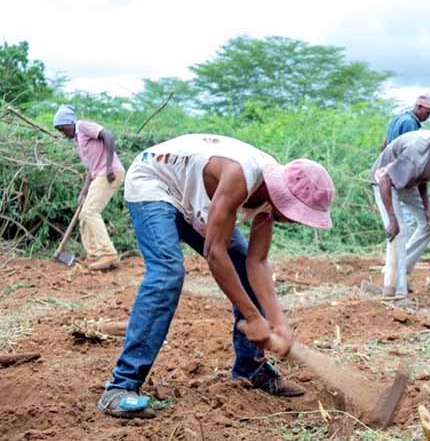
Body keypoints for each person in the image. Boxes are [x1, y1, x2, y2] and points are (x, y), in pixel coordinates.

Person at [97, 134, 335, 418]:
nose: (296, 219)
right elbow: (215, 252)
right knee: (167, 273)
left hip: (195, 196)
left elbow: (257, 262)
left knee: (242, 263)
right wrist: (254, 317)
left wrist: (277, 322)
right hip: (155, 180)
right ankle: (121, 386)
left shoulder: (270, 198)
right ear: (281, 192)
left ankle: (251, 369)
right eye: (297, 212)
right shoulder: (242, 175)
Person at [371, 126, 430, 298]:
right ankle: (399, 291)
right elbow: (385, 181)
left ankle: (400, 270)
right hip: (384, 182)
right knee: (400, 232)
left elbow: (423, 177)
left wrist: (427, 208)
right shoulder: (415, 153)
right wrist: (392, 220)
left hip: (407, 182)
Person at [53, 105, 125, 270]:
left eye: (62, 128)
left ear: (69, 122)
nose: (62, 133)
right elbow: (90, 169)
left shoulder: (83, 126)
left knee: (90, 212)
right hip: (98, 175)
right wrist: (84, 191)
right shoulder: (78, 140)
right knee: (83, 216)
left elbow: (109, 136)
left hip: (109, 173)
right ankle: (95, 255)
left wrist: (108, 167)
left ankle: (108, 254)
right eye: (59, 130)